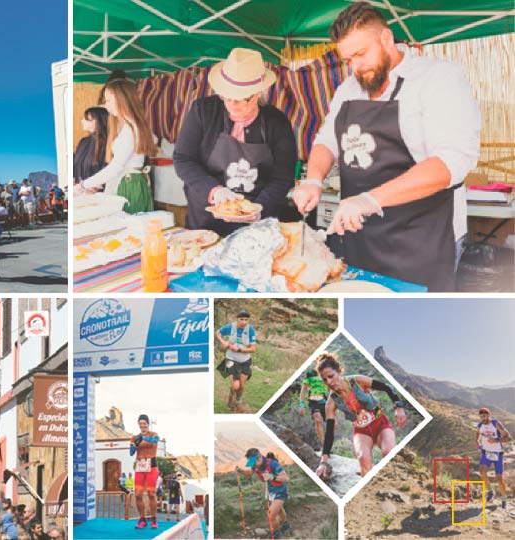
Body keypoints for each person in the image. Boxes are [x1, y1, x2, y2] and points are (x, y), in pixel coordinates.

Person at [292, 2, 479, 291]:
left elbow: (450, 162)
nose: (355, 67)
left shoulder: (438, 79)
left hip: (422, 239)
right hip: (358, 236)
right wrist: (314, 179)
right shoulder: (348, 89)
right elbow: (326, 141)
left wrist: (369, 200)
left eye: (361, 54)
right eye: (348, 60)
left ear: (386, 39)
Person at [174, 47, 297, 237]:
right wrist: (215, 191)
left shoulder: (277, 123)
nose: (232, 106)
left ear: (258, 93)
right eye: (227, 98)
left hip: (256, 225)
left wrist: (257, 210)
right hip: (205, 219)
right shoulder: (203, 111)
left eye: (241, 100)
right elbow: (183, 159)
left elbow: (282, 177)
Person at [313, 352, 407, 477]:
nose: (329, 382)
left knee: (389, 452)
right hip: (361, 431)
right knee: (363, 459)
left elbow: (386, 387)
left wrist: (398, 407)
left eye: (331, 376)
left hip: (380, 423)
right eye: (324, 380)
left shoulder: (357, 381)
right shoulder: (331, 403)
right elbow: (329, 433)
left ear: (339, 372)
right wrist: (323, 462)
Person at [75, 78, 157, 214]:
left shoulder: (130, 128)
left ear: (121, 99)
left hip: (128, 185)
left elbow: (116, 167)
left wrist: (83, 185)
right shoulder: (129, 125)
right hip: (125, 181)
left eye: (108, 100)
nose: (106, 105)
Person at [237, 448, 290, 539]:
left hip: (280, 491)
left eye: (254, 462)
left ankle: (277, 533)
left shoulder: (272, 464)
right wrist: (240, 471)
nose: (253, 465)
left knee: (271, 514)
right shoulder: (256, 466)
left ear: (260, 458)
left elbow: (286, 478)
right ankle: (286, 525)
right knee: (279, 509)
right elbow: (250, 472)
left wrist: (271, 477)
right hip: (270, 491)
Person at [215, 309, 256, 412]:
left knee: (241, 386)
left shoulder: (250, 330)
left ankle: (237, 401)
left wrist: (239, 349)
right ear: (237, 319)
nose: (244, 322)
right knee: (236, 385)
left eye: (246, 320)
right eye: (241, 319)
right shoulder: (230, 327)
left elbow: (253, 349)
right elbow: (218, 333)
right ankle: (232, 400)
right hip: (231, 359)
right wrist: (222, 341)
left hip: (245, 360)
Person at [129, 413, 159, 530]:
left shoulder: (153, 434)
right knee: (137, 495)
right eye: (140, 423)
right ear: (138, 424)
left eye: (144, 423)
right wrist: (135, 444)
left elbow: (155, 440)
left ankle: (154, 519)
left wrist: (143, 438)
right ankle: (142, 519)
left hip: (151, 465)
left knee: (151, 493)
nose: (143, 425)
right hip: (140, 466)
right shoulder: (134, 437)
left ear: (148, 424)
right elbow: (131, 452)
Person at [476, 407, 511, 508]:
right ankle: (491, 491)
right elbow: (477, 434)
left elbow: (508, 438)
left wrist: (495, 440)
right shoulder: (480, 425)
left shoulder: (495, 423)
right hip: (486, 453)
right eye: (481, 415)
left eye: (485, 415)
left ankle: (504, 499)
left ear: (489, 415)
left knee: (499, 479)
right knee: (482, 472)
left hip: (498, 454)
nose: (483, 417)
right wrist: (477, 442)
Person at [73, 106, 109, 183]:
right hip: (80, 189)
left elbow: (108, 169)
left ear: (98, 121)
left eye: (87, 119)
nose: (82, 121)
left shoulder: (108, 143)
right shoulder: (83, 142)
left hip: (98, 190)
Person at [299, 369, 333, 450]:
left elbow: (330, 390)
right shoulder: (309, 376)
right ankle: (325, 445)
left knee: (333, 424)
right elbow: (303, 391)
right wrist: (302, 405)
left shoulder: (325, 376)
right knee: (317, 420)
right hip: (314, 402)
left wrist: (334, 404)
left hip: (325, 401)